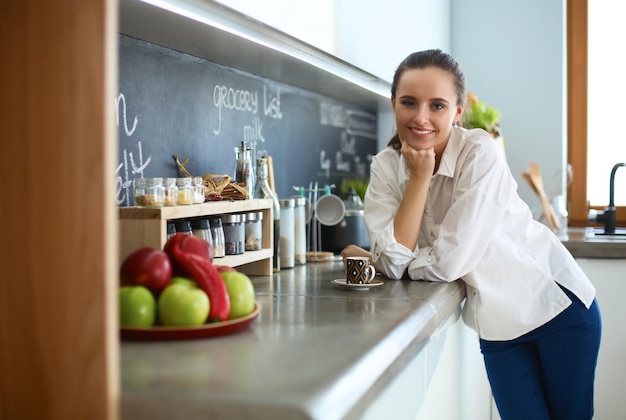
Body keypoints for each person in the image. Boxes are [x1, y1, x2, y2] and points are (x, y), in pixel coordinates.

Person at [341, 49, 601, 420]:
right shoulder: (385, 167)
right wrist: (418, 177)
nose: (421, 117)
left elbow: (444, 262)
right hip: (498, 327)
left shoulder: (480, 152)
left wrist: (387, 258)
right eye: (409, 103)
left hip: (556, 308)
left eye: (438, 106)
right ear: (394, 103)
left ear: (458, 112)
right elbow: (398, 263)